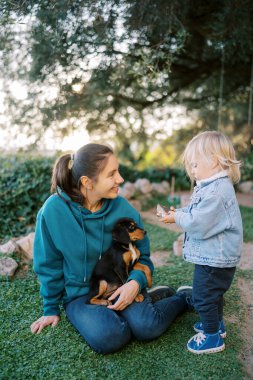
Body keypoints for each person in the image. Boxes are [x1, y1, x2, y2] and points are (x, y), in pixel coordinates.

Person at [30, 143, 191, 354]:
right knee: (110, 338)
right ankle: (150, 299)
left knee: (147, 327)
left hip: (122, 283)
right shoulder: (52, 211)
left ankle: (182, 298)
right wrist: (50, 308)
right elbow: (48, 264)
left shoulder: (124, 209)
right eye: (112, 174)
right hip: (81, 295)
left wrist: (135, 283)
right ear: (87, 182)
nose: (121, 179)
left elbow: (143, 257)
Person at [159, 131, 243, 354]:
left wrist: (177, 217)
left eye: (195, 165)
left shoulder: (216, 191)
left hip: (215, 259)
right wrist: (180, 212)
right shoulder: (212, 187)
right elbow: (197, 212)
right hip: (215, 256)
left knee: (203, 296)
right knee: (213, 294)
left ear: (214, 160)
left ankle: (212, 337)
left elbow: (198, 223)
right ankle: (216, 325)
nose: (192, 170)